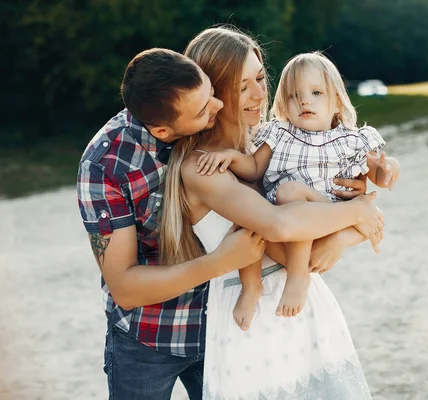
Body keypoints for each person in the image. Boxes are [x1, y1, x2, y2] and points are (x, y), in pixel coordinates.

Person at [77, 45, 378, 398]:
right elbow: (125, 288)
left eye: (260, 78)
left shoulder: (264, 140)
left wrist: (349, 214)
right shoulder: (109, 163)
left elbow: (308, 230)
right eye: (210, 103)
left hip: (227, 324)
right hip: (153, 329)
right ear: (164, 130)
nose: (217, 106)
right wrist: (357, 213)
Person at [159, 26, 379, 399]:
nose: (260, 94)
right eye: (242, 85)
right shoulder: (201, 166)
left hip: (306, 305)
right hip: (251, 319)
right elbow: (280, 229)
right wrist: (356, 213)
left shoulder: (277, 142)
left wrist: (346, 229)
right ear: (210, 93)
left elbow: (357, 221)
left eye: (260, 78)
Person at [196, 52, 401, 321]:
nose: (304, 100)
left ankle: (297, 276)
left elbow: (379, 170)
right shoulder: (280, 133)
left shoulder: (350, 139)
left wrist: (386, 171)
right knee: (247, 216)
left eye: (316, 92)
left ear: (337, 102)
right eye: (294, 95)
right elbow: (254, 167)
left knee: (290, 191)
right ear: (284, 103)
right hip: (285, 218)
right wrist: (232, 157)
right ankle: (251, 287)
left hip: (323, 214)